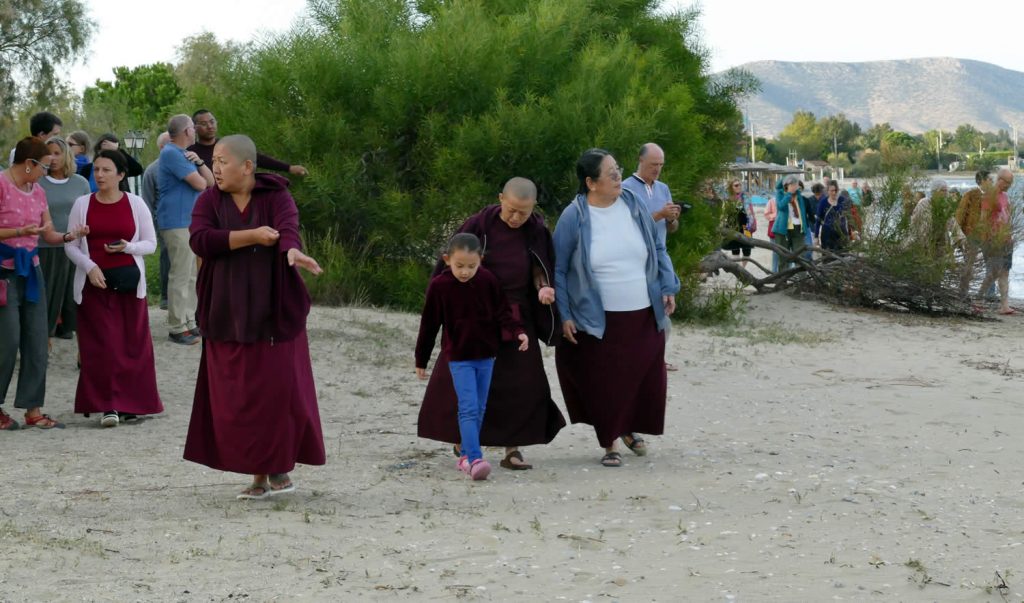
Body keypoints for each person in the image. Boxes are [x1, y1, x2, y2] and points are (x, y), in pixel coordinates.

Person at [183, 134, 325, 500]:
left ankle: (276, 467)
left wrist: (292, 251)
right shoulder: (209, 199)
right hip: (226, 308)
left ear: (247, 166)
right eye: (212, 161)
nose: (215, 167)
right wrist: (251, 237)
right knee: (237, 394)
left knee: (275, 391)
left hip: (273, 308)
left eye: (222, 161)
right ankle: (257, 473)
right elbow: (200, 240)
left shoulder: (277, 195)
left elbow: (288, 229)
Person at [417, 177, 565, 470]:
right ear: (501, 199)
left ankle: (513, 448)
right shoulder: (478, 225)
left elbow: (540, 268)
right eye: (511, 210)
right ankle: (463, 442)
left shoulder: (535, 229)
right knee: (459, 380)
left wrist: (543, 288)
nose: (516, 217)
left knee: (521, 383)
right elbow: (451, 263)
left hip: (516, 313)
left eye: (523, 212)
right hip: (474, 313)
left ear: (533, 208)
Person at [553, 148, 680, 467]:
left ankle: (629, 427)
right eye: (611, 174)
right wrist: (564, 313)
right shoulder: (575, 215)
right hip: (599, 315)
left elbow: (657, 246)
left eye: (618, 170)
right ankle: (609, 442)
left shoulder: (633, 204)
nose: (618, 177)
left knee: (645, 374)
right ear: (591, 182)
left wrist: (668, 285)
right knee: (605, 380)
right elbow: (559, 267)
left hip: (642, 309)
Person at [416, 233, 529, 480]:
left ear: (481, 260)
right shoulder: (440, 286)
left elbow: (502, 312)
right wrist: (421, 360)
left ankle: (467, 452)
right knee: (467, 408)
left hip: (487, 355)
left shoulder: (488, 280)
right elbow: (429, 324)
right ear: (447, 260)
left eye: (471, 266)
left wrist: (518, 332)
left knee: (479, 408)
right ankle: (472, 458)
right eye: (459, 266)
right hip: (459, 357)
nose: (465, 272)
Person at [64, 150, 162, 427]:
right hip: (93, 286)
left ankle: (133, 404)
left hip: (129, 285)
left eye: (106, 170)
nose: (100, 175)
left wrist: (128, 247)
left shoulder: (136, 204)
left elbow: (151, 244)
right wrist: (89, 266)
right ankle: (109, 405)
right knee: (102, 346)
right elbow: (69, 244)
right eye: (96, 170)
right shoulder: (82, 204)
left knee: (132, 344)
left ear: (121, 175)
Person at [1, 137, 88, 430]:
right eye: (43, 167)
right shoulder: (1, 184)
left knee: (38, 340)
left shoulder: (37, 191)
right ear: (29, 164)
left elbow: (47, 233)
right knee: (8, 340)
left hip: (32, 271)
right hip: (4, 271)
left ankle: (33, 409)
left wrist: (68, 236)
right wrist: (17, 231)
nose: (45, 173)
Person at [620, 143, 681, 370]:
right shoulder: (626, 188)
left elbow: (671, 228)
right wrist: (658, 214)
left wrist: (672, 218)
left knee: (663, 310)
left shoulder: (663, 188)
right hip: (635, 261)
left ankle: (657, 360)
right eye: (654, 165)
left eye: (661, 165)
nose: (657, 170)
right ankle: (636, 359)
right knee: (638, 313)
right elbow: (629, 226)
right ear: (641, 160)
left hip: (659, 257)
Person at [158, 114, 215, 345]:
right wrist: (198, 169)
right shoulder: (171, 153)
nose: (195, 130)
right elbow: (200, 184)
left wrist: (200, 162)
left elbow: (211, 182)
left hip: (188, 221)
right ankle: (176, 326)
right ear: (186, 132)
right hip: (176, 220)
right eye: (193, 127)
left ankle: (189, 321)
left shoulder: (185, 154)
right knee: (180, 274)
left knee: (191, 274)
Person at [38, 136, 91, 340]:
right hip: (46, 247)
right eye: (48, 153)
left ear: (67, 155)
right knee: (48, 297)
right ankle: (45, 341)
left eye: (57, 153)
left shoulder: (80, 183)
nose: (52, 158)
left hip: (76, 247)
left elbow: (87, 213)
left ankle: (82, 348)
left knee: (75, 298)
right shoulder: (38, 181)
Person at [187, 110, 308, 178]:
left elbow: (257, 158)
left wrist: (289, 168)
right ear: (195, 128)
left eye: (212, 122)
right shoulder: (190, 153)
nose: (209, 126)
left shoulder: (228, 146)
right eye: (203, 124)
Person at [141, 132, 172, 310]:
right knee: (167, 256)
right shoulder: (152, 170)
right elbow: (147, 201)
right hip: (163, 222)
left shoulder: (187, 165)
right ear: (162, 147)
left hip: (187, 221)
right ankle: (166, 297)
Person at [977, 168, 1015, 315]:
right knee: (993, 273)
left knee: (1005, 272)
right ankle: (978, 300)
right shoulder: (989, 196)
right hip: (992, 240)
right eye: (1008, 183)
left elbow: (1008, 217)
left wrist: (1009, 236)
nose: (1009, 186)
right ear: (1000, 180)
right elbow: (983, 219)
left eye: (1011, 183)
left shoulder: (1005, 196)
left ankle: (1004, 306)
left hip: (1006, 240)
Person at [955, 170, 991, 296]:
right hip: (971, 236)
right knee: (969, 266)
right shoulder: (969, 195)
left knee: (991, 265)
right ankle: (963, 292)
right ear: (982, 181)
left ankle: (990, 295)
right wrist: (959, 238)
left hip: (988, 236)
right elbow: (959, 216)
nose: (992, 182)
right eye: (989, 179)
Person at [77, 134, 144, 194]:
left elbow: (137, 169)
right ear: (98, 150)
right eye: (105, 152)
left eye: (111, 152)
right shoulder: (87, 169)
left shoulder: (119, 168)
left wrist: (117, 149)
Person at [772, 175, 815, 268]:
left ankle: (800, 281)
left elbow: (803, 212)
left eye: (796, 185)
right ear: (788, 185)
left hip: (798, 228)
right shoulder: (780, 193)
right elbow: (780, 207)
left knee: (800, 257)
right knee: (783, 258)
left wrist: (804, 228)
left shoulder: (798, 195)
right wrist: (788, 194)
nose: (796, 187)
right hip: (782, 230)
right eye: (794, 185)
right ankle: (783, 281)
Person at [720, 179, 755, 267]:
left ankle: (743, 269)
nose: (739, 187)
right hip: (732, 226)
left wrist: (752, 224)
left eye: (739, 185)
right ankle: (738, 270)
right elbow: (723, 213)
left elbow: (750, 212)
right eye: (736, 185)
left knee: (747, 250)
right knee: (735, 249)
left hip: (745, 226)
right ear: (731, 187)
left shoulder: (745, 197)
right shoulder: (727, 199)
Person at [816, 181, 852, 251]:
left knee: (842, 257)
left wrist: (851, 233)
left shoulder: (842, 200)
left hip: (841, 234)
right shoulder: (823, 202)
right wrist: (816, 236)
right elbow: (818, 220)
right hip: (827, 235)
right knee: (828, 258)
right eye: (832, 191)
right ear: (827, 191)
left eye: (836, 190)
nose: (834, 193)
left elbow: (848, 217)